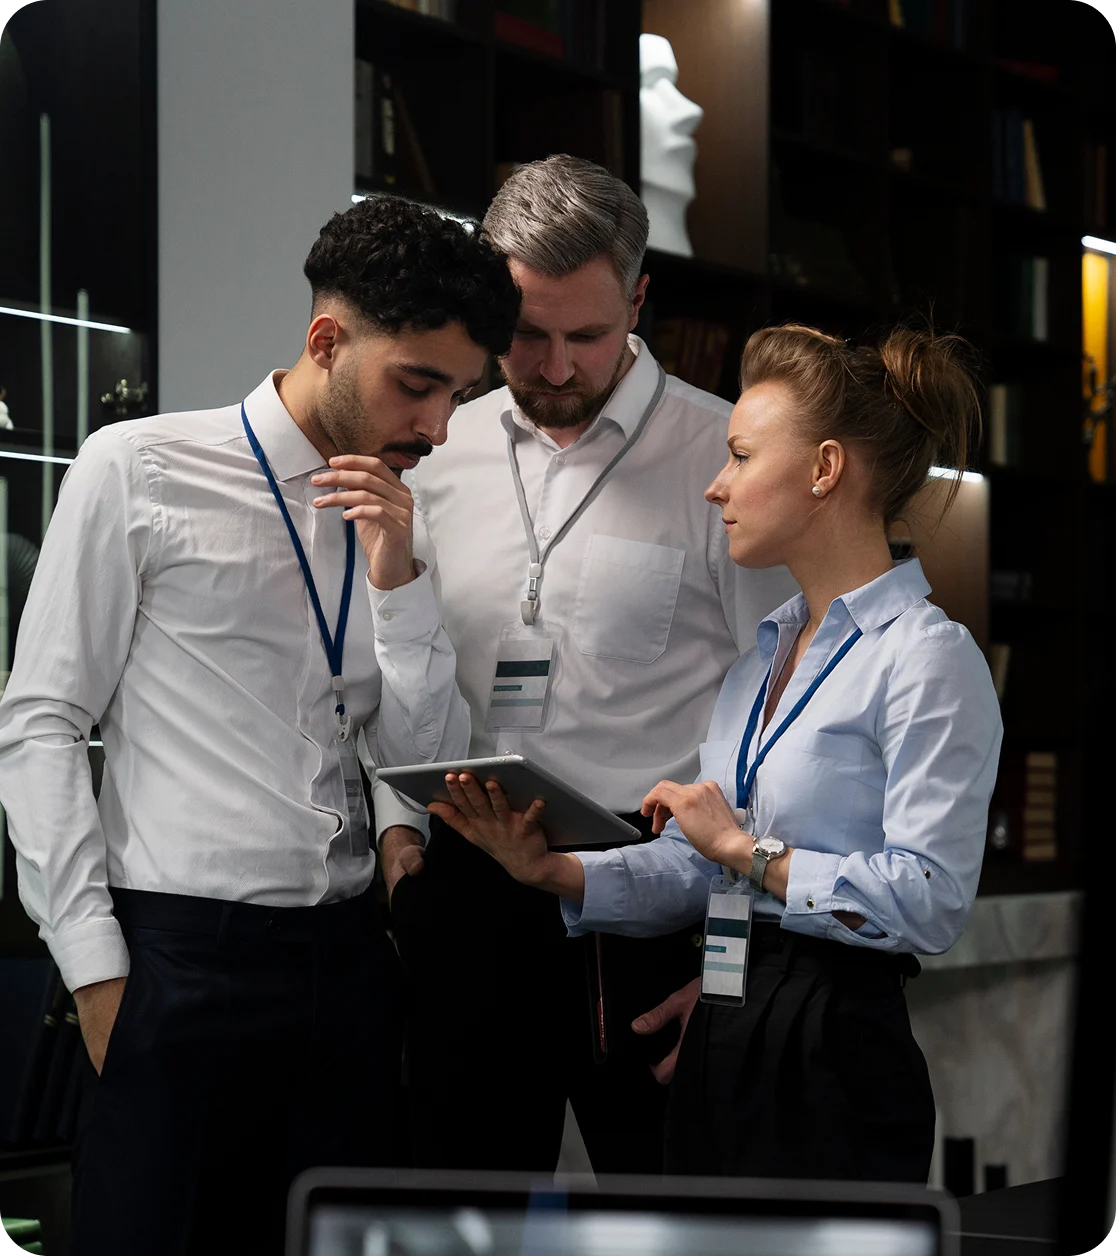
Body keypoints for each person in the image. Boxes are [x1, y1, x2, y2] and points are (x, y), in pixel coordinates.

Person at [0, 195, 519, 1254]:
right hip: (179, 963)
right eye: (417, 384)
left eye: (458, 394)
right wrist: (98, 970)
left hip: (350, 967)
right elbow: (42, 722)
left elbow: (417, 758)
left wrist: (399, 578)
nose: (435, 425)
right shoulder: (137, 467)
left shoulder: (403, 507)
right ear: (327, 340)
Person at [431, 323, 1004, 1182]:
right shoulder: (761, 658)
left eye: (740, 456)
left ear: (824, 470)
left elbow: (929, 901)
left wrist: (745, 849)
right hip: (727, 1024)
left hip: (837, 1044)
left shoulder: (927, 656)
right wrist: (555, 873)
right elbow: (701, 870)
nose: (715, 485)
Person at [377, 155, 796, 1174]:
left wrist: (735, 968)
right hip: (467, 884)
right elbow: (393, 658)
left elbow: (781, 729)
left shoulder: (724, 457)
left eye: (588, 335)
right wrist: (398, 847)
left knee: (674, 1221)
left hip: (653, 899)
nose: (556, 366)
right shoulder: (436, 447)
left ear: (640, 301)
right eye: (525, 334)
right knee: (447, 1224)